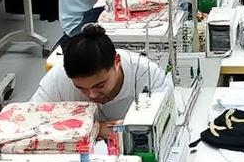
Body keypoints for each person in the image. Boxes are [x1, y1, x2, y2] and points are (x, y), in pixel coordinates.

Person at [32, 23, 171, 135]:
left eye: (100, 86)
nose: (92, 95)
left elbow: (165, 124)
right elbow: (31, 121)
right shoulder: (59, 77)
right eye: (81, 89)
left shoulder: (147, 75)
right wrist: (95, 129)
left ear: (117, 62)